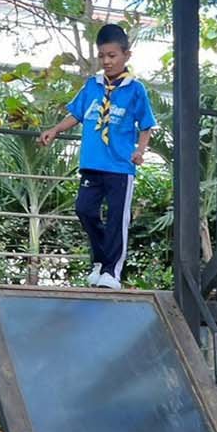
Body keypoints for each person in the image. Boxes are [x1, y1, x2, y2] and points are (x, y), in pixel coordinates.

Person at [38, 23, 156, 289]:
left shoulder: (135, 89)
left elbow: (146, 125)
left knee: (117, 218)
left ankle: (112, 272)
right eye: (102, 56)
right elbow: (77, 114)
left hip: (120, 166)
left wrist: (139, 151)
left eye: (112, 55)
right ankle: (102, 259)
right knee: (84, 210)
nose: (106, 61)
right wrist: (55, 130)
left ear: (126, 55)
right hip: (92, 163)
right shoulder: (92, 85)